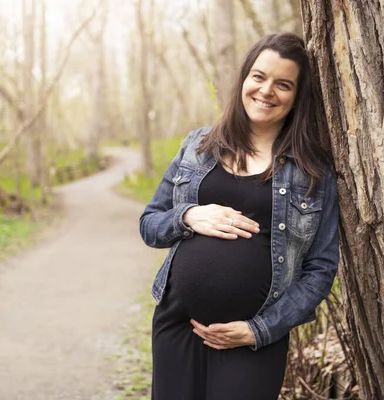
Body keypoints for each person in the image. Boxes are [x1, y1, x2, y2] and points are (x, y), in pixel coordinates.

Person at [139, 32, 339, 400]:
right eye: (259, 77)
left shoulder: (313, 169)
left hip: (253, 340)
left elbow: (321, 269)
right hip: (178, 324)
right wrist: (188, 216)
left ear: (297, 97)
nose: (266, 91)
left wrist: (259, 330)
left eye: (283, 84)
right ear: (244, 79)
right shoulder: (198, 145)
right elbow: (149, 224)